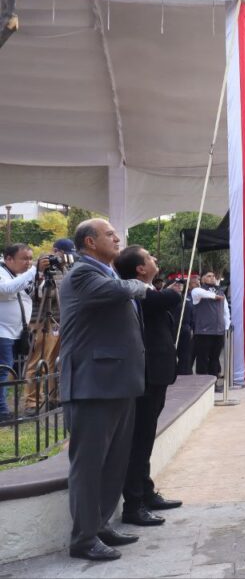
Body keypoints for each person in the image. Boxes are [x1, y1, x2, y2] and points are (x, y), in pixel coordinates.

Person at [58, 219, 149, 561]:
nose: (117, 238)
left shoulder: (106, 272)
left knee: (114, 461)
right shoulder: (82, 273)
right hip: (92, 384)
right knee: (90, 464)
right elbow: (116, 292)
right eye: (110, 234)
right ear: (90, 242)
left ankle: (101, 524)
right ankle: (83, 537)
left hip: (117, 382)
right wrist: (138, 286)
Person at [113, 245, 183, 528]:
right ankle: (134, 504)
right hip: (147, 374)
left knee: (145, 439)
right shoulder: (135, 292)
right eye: (150, 258)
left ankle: (146, 491)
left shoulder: (148, 291)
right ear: (140, 269)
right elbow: (167, 299)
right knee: (139, 441)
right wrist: (173, 292)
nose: (155, 259)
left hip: (157, 374)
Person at [0, 244, 48, 421]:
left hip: (18, 332)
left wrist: (41, 279)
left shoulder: (20, 275)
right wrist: (34, 270)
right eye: (24, 259)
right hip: (2, 331)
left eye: (30, 258)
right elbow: (7, 289)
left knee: (10, 370)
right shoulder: (2, 273)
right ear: (9, 259)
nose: (28, 263)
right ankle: (2, 411)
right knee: (2, 370)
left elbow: (38, 295)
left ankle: (3, 409)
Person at [24, 238, 73, 413]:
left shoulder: (66, 270)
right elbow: (37, 293)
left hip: (59, 320)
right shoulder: (38, 269)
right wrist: (41, 272)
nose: (64, 259)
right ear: (55, 251)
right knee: (36, 362)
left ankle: (54, 396)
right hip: (40, 321)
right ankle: (32, 402)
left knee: (56, 361)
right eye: (63, 255)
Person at [190, 271, 230, 377]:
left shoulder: (220, 292)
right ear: (202, 279)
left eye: (213, 276)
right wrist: (214, 296)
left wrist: (226, 327)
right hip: (204, 332)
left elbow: (225, 310)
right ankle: (201, 384)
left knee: (215, 358)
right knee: (202, 359)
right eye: (208, 276)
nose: (212, 278)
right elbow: (198, 292)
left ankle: (214, 382)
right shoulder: (198, 290)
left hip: (218, 331)